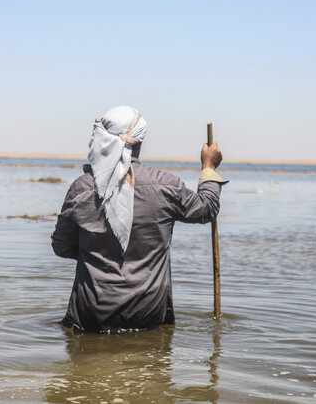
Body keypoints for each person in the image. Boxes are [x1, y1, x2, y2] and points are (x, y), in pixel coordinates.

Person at [51, 106, 227, 333]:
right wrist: (209, 168)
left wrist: (97, 254)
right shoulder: (167, 186)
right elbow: (207, 209)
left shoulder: (81, 189)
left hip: (90, 314)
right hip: (149, 313)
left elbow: (61, 247)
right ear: (140, 142)